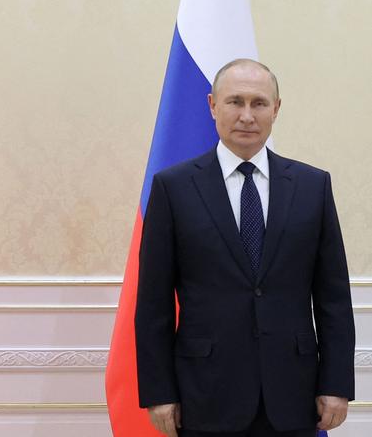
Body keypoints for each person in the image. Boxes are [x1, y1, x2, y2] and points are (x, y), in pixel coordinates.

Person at [135, 58, 355, 437]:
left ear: (277, 108)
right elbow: (153, 302)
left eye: (259, 103)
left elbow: (333, 297)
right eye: (235, 101)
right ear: (212, 106)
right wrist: (159, 392)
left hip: (293, 395)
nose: (247, 116)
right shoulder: (173, 188)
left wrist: (336, 384)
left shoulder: (312, 186)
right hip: (204, 394)